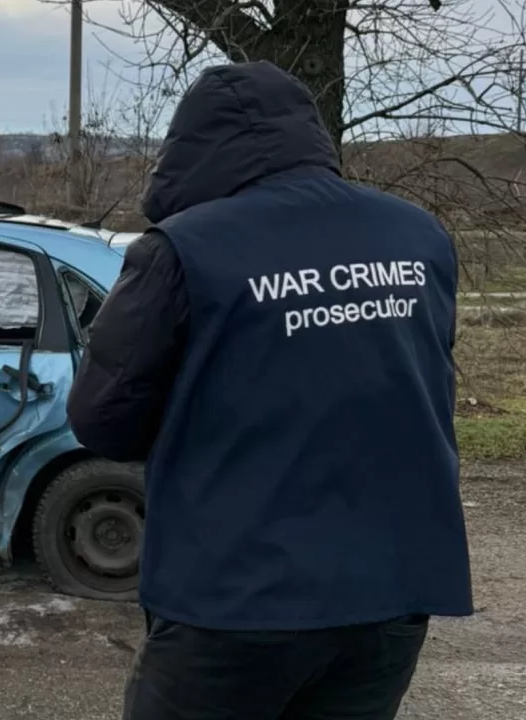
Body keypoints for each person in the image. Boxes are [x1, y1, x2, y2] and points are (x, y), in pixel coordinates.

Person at [66, 60, 474, 720]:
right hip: (395, 589)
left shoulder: (183, 250)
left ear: (191, 149)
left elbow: (101, 419)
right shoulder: (419, 236)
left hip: (237, 599)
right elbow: (420, 384)